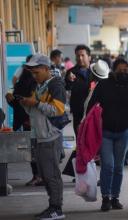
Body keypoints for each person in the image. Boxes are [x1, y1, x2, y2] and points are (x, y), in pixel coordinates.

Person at [87, 58, 128, 212]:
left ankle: (115, 198)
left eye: (125, 70)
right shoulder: (103, 85)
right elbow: (91, 105)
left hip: (124, 134)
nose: (123, 72)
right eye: (120, 69)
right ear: (113, 71)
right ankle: (105, 198)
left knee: (119, 167)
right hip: (106, 133)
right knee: (108, 165)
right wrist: (92, 123)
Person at [19, 54, 66, 220]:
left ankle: (56, 208)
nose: (34, 76)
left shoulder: (56, 85)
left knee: (51, 174)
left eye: (36, 72)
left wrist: (36, 103)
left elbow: (58, 110)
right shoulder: (39, 86)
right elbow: (35, 111)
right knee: (45, 174)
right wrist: (25, 103)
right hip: (40, 135)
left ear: (46, 69)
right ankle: (52, 206)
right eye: (32, 73)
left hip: (50, 137)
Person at [5, 58, 43, 186]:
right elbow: (19, 104)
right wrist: (10, 100)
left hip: (33, 120)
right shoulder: (22, 82)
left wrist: (15, 100)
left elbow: (32, 102)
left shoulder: (36, 83)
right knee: (32, 149)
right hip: (26, 120)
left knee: (36, 149)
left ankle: (40, 175)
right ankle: (37, 175)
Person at [65, 45, 92, 137]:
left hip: (93, 110)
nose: (80, 58)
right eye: (78, 56)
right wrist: (69, 80)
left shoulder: (96, 71)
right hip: (78, 109)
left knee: (93, 137)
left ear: (89, 57)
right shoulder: (71, 72)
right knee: (79, 135)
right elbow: (67, 88)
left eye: (82, 55)